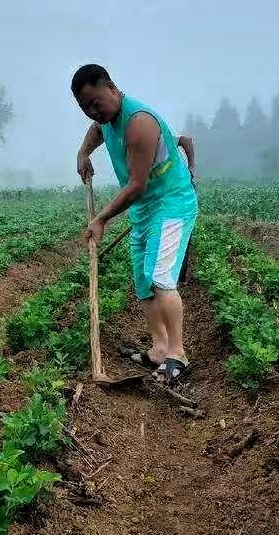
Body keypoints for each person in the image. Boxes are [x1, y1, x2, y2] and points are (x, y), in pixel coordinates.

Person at [72, 63, 198, 386]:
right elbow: (97, 130)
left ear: (112, 88)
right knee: (143, 280)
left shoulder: (139, 123)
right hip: (144, 209)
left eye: (96, 103)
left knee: (160, 278)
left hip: (171, 204)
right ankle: (159, 348)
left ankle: (178, 353)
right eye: (85, 108)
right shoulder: (106, 120)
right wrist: (83, 153)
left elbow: (137, 185)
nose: (93, 112)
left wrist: (101, 218)